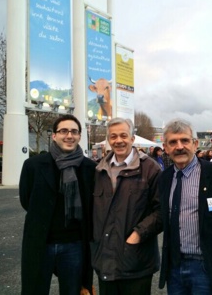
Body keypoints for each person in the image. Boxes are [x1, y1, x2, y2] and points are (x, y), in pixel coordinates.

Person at [158, 119, 212, 294]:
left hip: (207, 268)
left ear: (195, 144)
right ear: (166, 148)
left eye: (185, 140)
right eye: (173, 142)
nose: (179, 146)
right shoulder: (164, 179)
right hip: (175, 269)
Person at [19, 115, 96, 295]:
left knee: (73, 290)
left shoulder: (89, 167)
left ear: (79, 136)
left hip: (74, 244)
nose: (69, 135)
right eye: (64, 131)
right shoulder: (33, 165)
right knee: (36, 289)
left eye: (74, 132)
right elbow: (26, 200)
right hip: (41, 242)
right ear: (54, 135)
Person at [91, 118, 162, 295]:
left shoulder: (150, 169)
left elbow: (162, 211)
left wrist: (138, 234)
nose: (118, 140)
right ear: (108, 140)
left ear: (132, 138)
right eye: (113, 136)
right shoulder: (99, 170)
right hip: (105, 258)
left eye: (123, 135)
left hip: (136, 259)